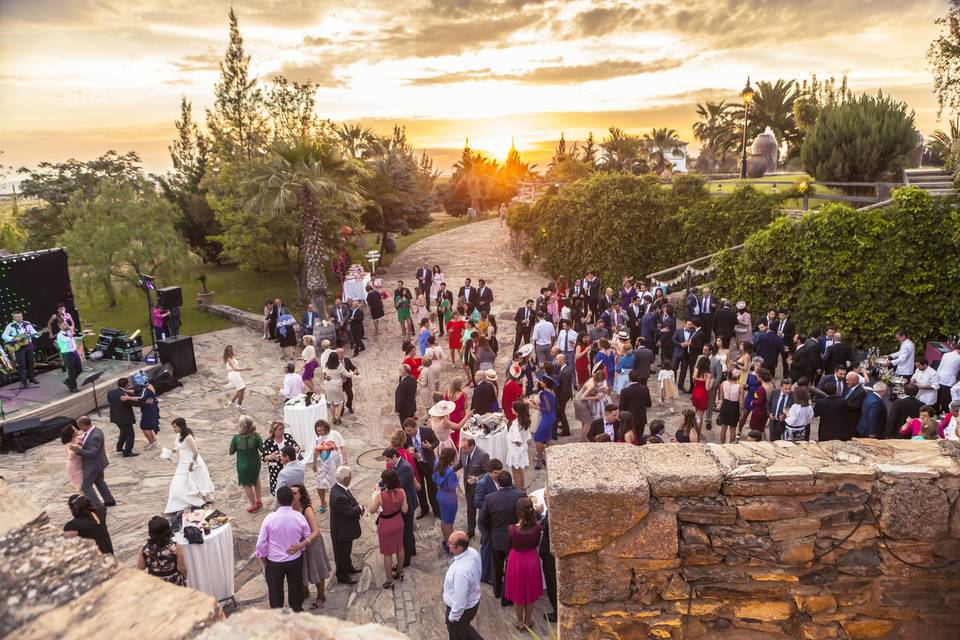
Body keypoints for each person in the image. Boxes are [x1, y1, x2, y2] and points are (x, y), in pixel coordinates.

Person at [256, 485, 310, 611]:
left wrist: (263, 557)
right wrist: (300, 548)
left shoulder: (270, 518)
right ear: (292, 500)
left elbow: (261, 543)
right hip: (294, 559)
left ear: (278, 500)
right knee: (296, 587)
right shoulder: (299, 517)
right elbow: (307, 536)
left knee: (275, 591)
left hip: (274, 561)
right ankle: (297, 609)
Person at [481, 470, 526, 607]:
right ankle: (507, 596)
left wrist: (490, 533)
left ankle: (497, 590)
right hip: (515, 538)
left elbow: (482, 519)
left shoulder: (490, 498)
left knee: (497, 566)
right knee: (511, 568)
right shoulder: (520, 495)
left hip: (497, 538)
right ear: (510, 480)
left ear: (497, 482)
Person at [503, 497, 543, 631]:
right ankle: (529, 619)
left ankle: (520, 621)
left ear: (518, 512)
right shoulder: (537, 527)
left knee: (518, 594)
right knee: (530, 594)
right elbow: (537, 543)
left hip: (516, 560)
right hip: (532, 559)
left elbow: (509, 546)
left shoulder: (512, 529)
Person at [290, 483, 332, 608]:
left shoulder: (306, 509)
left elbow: (315, 531)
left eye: (295, 493)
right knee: (302, 569)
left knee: (317, 569)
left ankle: (320, 596)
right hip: (300, 544)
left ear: (301, 495)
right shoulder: (290, 508)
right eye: (290, 493)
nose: (292, 495)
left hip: (312, 543)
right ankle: (305, 591)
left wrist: (303, 543)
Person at [163, 418, 214, 513]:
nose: (173, 429)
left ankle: (196, 501)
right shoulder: (179, 435)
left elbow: (195, 453)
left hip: (190, 463)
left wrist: (191, 465)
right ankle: (181, 502)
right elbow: (178, 445)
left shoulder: (188, 437)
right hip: (182, 463)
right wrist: (173, 450)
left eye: (175, 427)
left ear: (181, 426)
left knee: (191, 482)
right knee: (178, 484)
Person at [368, 468, 408, 590]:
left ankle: (389, 580)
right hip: (398, 522)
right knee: (400, 548)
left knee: (387, 553)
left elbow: (371, 510)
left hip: (386, 524)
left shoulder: (380, 495)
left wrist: (374, 495)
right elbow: (405, 510)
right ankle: (400, 571)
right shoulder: (402, 491)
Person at [443, 530, 483, 640]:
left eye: (450, 543)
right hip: (473, 601)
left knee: (457, 634)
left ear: (459, 548)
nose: (447, 544)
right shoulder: (473, 552)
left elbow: (460, 602)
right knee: (464, 628)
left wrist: (452, 618)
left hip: (461, 611)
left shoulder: (461, 573)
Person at [70, 416, 116, 509]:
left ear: (83, 425)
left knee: (86, 486)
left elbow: (93, 453)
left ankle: (98, 506)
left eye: (80, 426)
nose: (79, 428)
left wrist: (78, 450)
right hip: (98, 463)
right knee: (99, 481)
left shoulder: (95, 436)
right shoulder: (96, 430)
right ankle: (109, 500)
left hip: (94, 465)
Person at [383, 447, 419, 567]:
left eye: (388, 460)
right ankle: (412, 550)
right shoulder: (399, 464)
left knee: (406, 532)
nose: (387, 463)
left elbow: (398, 485)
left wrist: (382, 489)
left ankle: (406, 559)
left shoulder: (404, 467)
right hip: (407, 500)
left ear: (394, 457)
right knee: (408, 528)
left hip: (407, 502)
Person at [330, 466, 364, 585]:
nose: (351, 478)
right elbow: (350, 512)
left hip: (345, 528)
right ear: (345, 479)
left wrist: (357, 506)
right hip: (341, 530)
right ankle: (342, 575)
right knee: (341, 553)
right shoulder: (339, 496)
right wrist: (359, 508)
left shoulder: (340, 488)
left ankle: (348, 567)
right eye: (350, 476)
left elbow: (351, 500)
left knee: (346, 550)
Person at [403, 417, 440, 518]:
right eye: (406, 431)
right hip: (416, 465)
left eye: (409, 430)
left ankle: (436, 510)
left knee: (432, 488)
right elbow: (405, 446)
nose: (408, 433)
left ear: (415, 427)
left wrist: (430, 446)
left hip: (428, 464)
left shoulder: (427, 431)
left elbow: (436, 442)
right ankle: (424, 509)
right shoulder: (406, 436)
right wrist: (410, 453)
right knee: (420, 488)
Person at [455, 437, 489, 539]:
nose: (463, 450)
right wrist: (450, 470)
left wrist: (477, 479)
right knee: (470, 508)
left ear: (472, 446)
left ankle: (485, 530)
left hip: (480, 488)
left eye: (465, 448)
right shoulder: (463, 450)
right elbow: (460, 463)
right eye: (462, 448)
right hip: (468, 486)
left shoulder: (483, 455)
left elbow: (488, 472)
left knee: (483, 510)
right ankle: (471, 529)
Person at [137, 516, 186, 586]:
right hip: (173, 582)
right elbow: (183, 569)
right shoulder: (175, 546)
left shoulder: (145, 549)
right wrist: (185, 579)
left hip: (154, 583)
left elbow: (139, 569)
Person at [230, 415, 264, 513]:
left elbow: (231, 451)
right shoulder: (256, 436)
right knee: (256, 479)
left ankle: (253, 504)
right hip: (255, 463)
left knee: (247, 484)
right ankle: (259, 500)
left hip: (243, 465)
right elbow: (262, 449)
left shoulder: (236, 438)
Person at [311, 419, 346, 514]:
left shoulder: (335, 434)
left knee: (338, 484)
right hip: (323, 465)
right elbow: (316, 451)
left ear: (326, 428)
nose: (319, 432)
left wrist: (345, 461)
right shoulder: (318, 439)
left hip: (336, 464)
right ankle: (323, 501)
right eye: (317, 431)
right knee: (319, 485)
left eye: (321, 430)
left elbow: (342, 447)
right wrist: (314, 463)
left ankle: (340, 502)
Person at [261, 421, 300, 495]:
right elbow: (263, 457)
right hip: (276, 470)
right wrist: (270, 456)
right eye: (280, 429)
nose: (282, 431)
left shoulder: (288, 437)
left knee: (291, 487)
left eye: (283, 429)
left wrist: (295, 449)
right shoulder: (268, 442)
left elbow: (297, 446)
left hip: (290, 466)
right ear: (274, 431)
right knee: (278, 489)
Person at [433, 447, 461, 551]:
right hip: (449, 499)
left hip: (440, 495)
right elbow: (451, 487)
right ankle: (451, 545)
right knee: (449, 523)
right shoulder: (449, 472)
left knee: (444, 520)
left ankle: (446, 541)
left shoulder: (437, 462)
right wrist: (457, 478)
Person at [527, 376, 557, 470]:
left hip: (547, 418)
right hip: (552, 416)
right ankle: (552, 457)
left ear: (545, 383)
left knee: (537, 438)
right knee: (548, 438)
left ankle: (540, 459)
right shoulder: (552, 392)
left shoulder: (543, 394)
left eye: (542, 381)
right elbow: (548, 405)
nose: (541, 382)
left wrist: (533, 406)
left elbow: (546, 409)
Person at [107, 378, 138, 457]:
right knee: (130, 434)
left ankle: (119, 447)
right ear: (126, 385)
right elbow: (134, 403)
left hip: (115, 417)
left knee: (123, 432)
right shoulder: (125, 394)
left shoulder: (110, 392)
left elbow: (110, 401)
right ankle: (127, 451)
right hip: (125, 418)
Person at [618, 369, 652, 438]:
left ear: (629, 378)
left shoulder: (624, 391)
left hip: (629, 419)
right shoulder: (644, 389)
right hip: (641, 418)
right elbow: (649, 404)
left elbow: (621, 407)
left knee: (630, 438)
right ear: (638, 377)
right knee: (639, 437)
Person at [131, 379, 160, 450]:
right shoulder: (148, 387)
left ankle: (151, 443)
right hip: (150, 410)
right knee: (147, 426)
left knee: (144, 427)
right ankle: (153, 439)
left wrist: (128, 398)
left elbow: (141, 398)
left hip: (149, 411)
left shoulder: (146, 390)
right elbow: (136, 391)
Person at [53, 321, 81, 392]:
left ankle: (68, 380)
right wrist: (71, 332)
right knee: (72, 371)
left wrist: (76, 345)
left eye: (66, 324)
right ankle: (73, 387)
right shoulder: (60, 335)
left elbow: (72, 340)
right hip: (67, 354)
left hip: (74, 352)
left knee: (79, 369)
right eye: (65, 324)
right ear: (60, 326)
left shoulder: (68, 332)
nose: (67, 325)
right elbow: (67, 340)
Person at [716, 369, 742, 443]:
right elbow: (741, 402)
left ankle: (722, 444)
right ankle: (731, 445)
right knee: (733, 428)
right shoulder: (740, 387)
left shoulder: (723, 383)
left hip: (725, 405)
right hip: (734, 406)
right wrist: (741, 412)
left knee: (723, 427)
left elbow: (721, 397)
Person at [223, 345, 251, 411]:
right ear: (230, 352)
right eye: (232, 350)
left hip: (235, 375)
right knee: (242, 388)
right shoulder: (229, 359)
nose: (233, 350)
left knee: (240, 389)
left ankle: (231, 402)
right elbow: (235, 369)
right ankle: (239, 405)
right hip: (234, 375)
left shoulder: (232, 357)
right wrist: (246, 369)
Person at [690, 355, 711, 428]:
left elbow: (693, 380)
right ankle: (698, 433)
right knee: (700, 416)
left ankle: (693, 428)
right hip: (702, 394)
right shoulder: (707, 375)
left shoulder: (695, 371)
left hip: (695, 392)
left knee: (696, 412)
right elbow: (707, 388)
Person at [61, 424, 84, 490]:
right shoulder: (69, 445)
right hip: (75, 469)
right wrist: (74, 450)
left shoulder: (77, 438)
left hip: (80, 466)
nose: (77, 430)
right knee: (81, 487)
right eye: (75, 429)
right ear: (71, 433)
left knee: (86, 486)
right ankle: (85, 500)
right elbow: (70, 455)